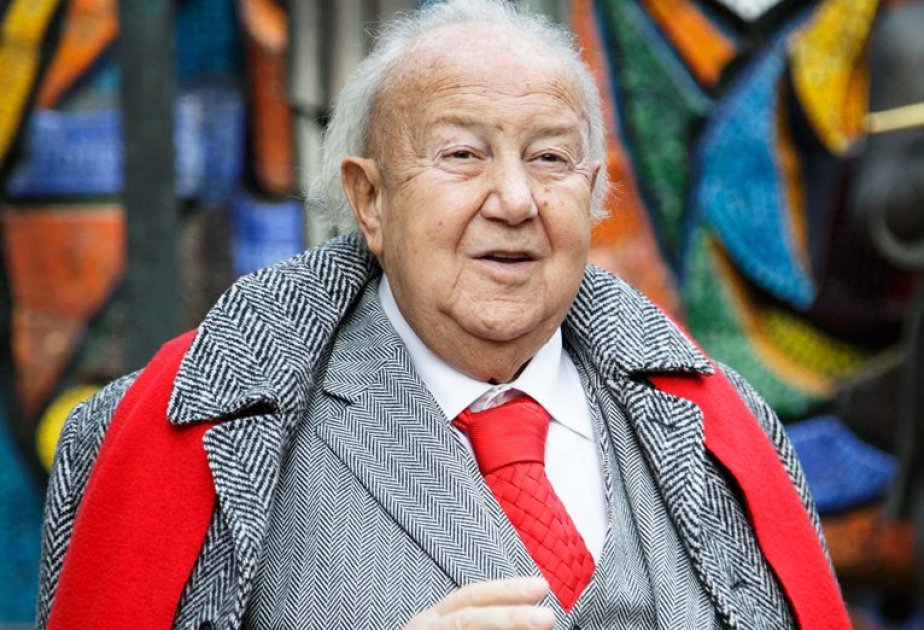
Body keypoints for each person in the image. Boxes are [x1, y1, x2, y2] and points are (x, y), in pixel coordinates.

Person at [37, 1, 849, 628]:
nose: (516, 200)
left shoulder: (730, 439)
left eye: (550, 158)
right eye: (462, 154)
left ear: (594, 195)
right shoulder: (173, 445)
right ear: (370, 199)